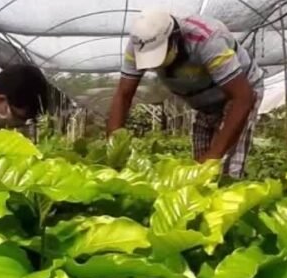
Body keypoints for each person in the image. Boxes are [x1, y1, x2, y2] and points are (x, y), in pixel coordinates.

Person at [107, 10, 264, 178]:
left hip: (239, 92)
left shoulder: (206, 39)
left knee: (222, 167)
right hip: (204, 102)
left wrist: (214, 156)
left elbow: (243, 98)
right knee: (198, 168)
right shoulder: (138, 45)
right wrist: (114, 151)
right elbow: (123, 95)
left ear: (174, 38)